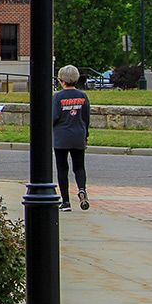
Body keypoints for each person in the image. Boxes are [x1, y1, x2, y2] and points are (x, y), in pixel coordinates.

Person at [53, 64, 92, 211]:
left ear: (61, 80)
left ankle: (66, 201)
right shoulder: (83, 96)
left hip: (61, 137)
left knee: (62, 169)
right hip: (78, 135)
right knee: (79, 166)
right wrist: (85, 135)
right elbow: (86, 117)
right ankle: (82, 189)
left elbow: (54, 117)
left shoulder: (57, 97)